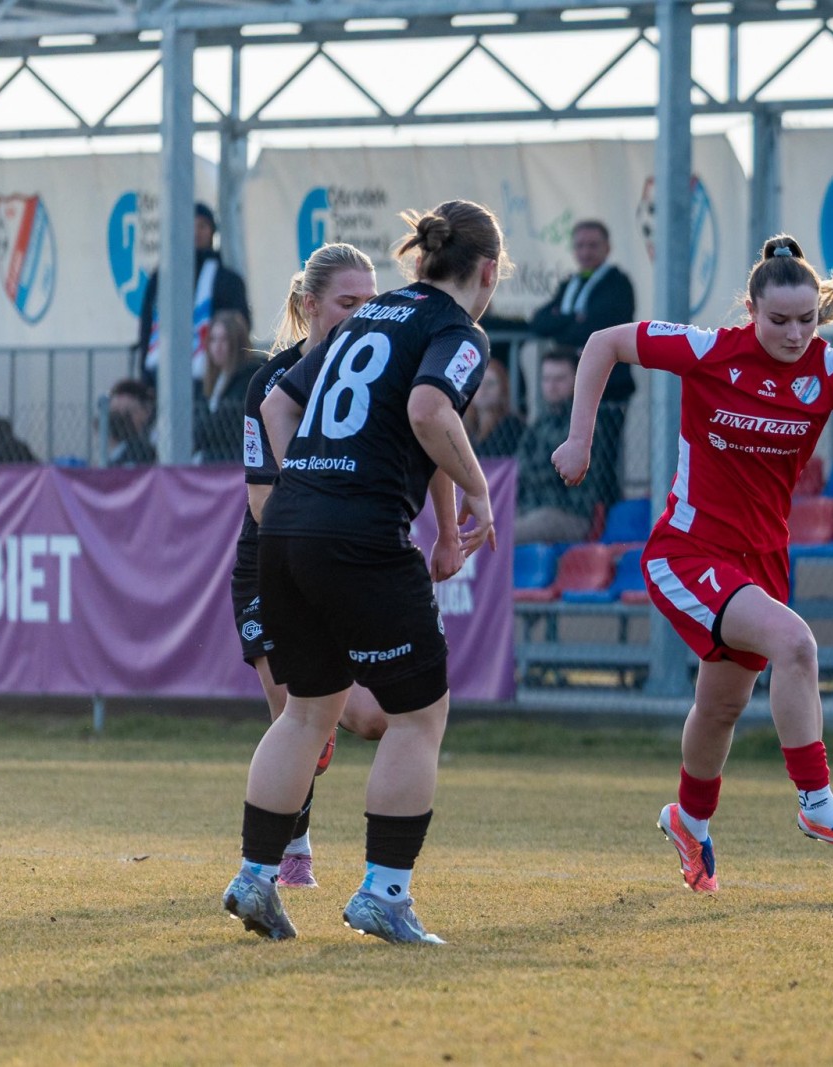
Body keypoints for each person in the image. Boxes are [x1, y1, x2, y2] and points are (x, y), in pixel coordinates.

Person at [551, 235, 833, 894]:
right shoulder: (709, 350)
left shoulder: (830, 370)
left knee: (721, 706)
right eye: (779, 320)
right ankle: (818, 805)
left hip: (762, 563)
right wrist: (580, 438)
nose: (795, 333)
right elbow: (604, 341)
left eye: (807, 319)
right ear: (750, 310)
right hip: (688, 551)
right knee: (795, 643)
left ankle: (689, 820)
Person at [222, 200, 501, 945]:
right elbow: (430, 410)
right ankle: (385, 892)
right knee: (418, 715)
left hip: (285, 529)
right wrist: (478, 490)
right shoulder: (457, 330)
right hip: (359, 535)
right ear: (487, 271)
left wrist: (311, 483)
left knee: (305, 712)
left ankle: (254, 876)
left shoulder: (368, 318)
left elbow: (278, 405)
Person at [231, 242, 389, 889]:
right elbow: (262, 501)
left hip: (342, 566)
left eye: (370, 304)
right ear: (309, 305)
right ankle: (287, 851)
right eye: (348, 303)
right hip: (273, 565)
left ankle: (315, 738)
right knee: (292, 716)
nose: (361, 316)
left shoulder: (380, 376)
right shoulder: (271, 384)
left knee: (372, 719)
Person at [529, 219, 637, 504]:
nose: (586, 252)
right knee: (563, 456)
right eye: (580, 246)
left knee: (603, 463)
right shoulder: (570, 284)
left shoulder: (618, 284)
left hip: (608, 393)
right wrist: (573, 320)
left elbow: (597, 330)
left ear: (607, 248)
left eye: (593, 245)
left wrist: (565, 323)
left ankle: (601, 517)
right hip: (571, 393)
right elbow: (540, 321)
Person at [137, 201, 251, 386]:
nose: (196, 232)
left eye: (202, 226)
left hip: (212, 378)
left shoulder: (227, 279)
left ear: (212, 231)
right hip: (163, 377)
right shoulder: (162, 278)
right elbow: (147, 326)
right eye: (190, 225)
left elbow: (239, 327)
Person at [515, 348, 598, 543]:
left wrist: (535, 473)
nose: (552, 386)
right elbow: (520, 466)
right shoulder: (539, 424)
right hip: (531, 509)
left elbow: (561, 472)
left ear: (576, 381)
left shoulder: (586, 422)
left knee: (503, 534)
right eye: (546, 379)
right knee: (487, 524)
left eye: (559, 379)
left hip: (570, 514)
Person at [194, 310, 264, 464]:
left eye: (224, 340)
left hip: (235, 459)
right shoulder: (211, 381)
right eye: (213, 340)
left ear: (237, 343)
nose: (217, 347)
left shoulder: (247, 378)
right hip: (212, 459)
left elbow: (221, 425)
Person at [463, 357, 525, 458]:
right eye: (478, 383)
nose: (483, 389)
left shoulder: (511, 425)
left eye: (490, 384)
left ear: (503, 389)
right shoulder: (467, 424)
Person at [104, 378, 156, 467]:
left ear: (147, 411)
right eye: (115, 414)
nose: (119, 420)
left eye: (127, 413)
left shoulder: (156, 442)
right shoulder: (117, 450)